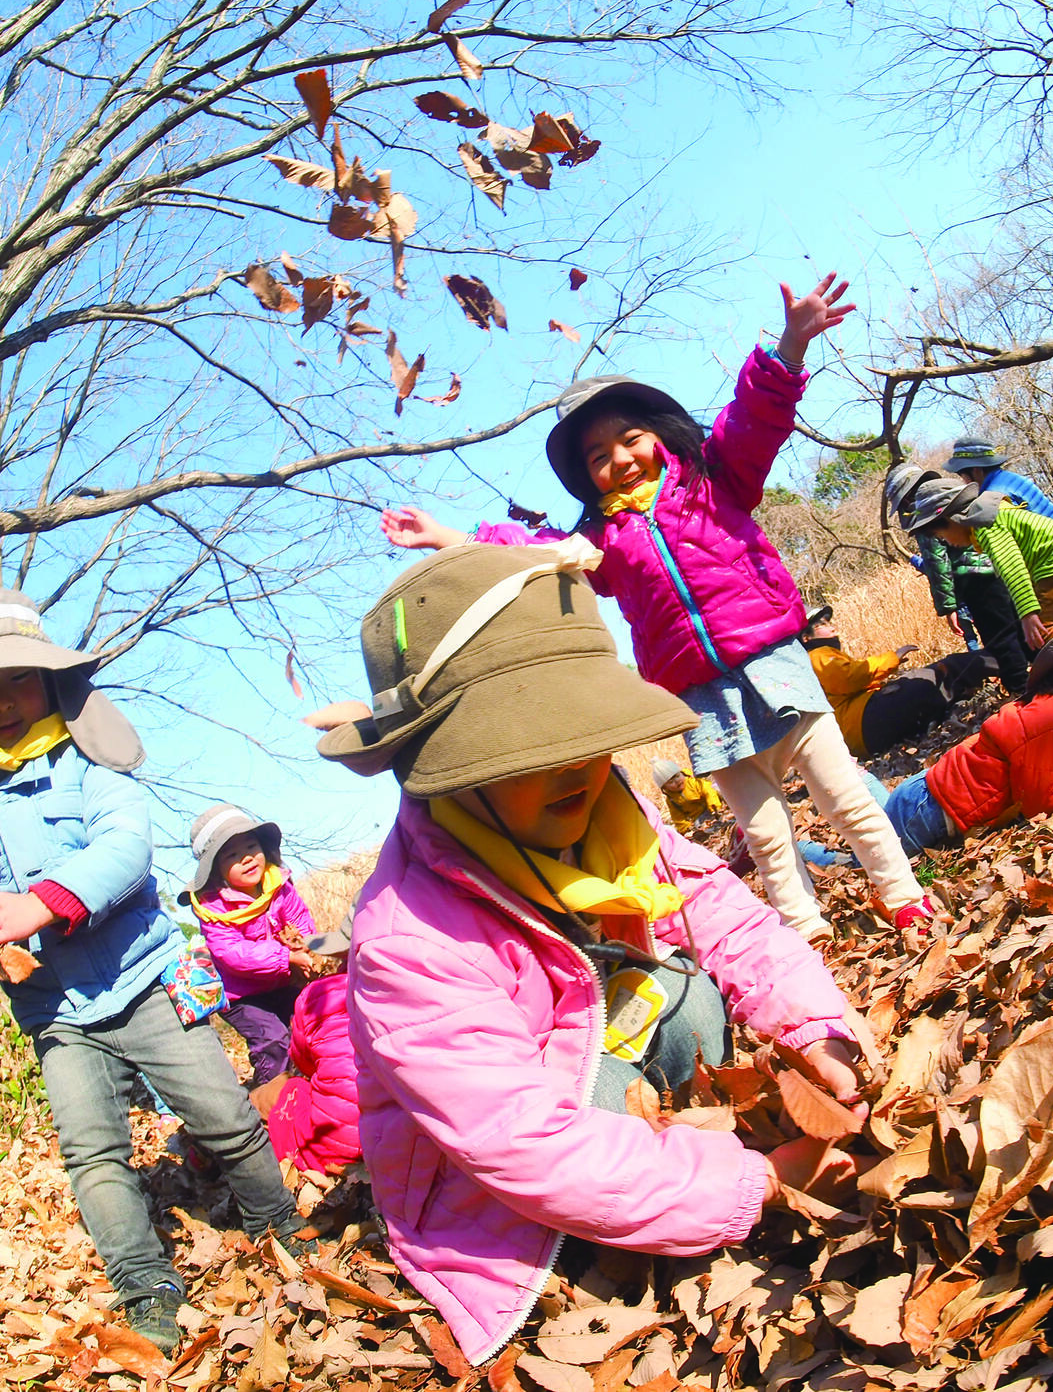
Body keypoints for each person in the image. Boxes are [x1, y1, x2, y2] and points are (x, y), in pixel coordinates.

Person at [313, 542, 870, 1366]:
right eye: (537, 747)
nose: (579, 763)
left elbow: (723, 915)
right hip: (504, 1177)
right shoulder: (407, 939)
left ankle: (674, 1153)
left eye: (588, 732)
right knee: (617, 1092)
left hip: (605, 1060)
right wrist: (761, 1183)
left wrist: (818, 1030)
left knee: (686, 993)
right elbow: (521, 1141)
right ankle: (661, 1195)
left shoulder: (613, 809)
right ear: (450, 771)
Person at [379, 274, 937, 937]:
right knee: (763, 829)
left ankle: (901, 893)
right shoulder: (601, 542)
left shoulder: (714, 478)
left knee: (842, 792)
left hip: (772, 660)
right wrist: (449, 537)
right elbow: (534, 555)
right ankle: (804, 930)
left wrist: (788, 347)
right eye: (598, 457)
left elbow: (755, 419)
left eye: (630, 439)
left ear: (660, 435)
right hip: (699, 697)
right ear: (586, 477)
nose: (620, 459)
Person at [0, 588, 302, 1352]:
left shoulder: (88, 760)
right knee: (92, 1152)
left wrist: (40, 904)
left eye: (18, 682)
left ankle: (278, 1220)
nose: (0, 704)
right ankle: (145, 1287)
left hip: (147, 982)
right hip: (55, 1013)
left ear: (51, 684)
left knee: (222, 1113)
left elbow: (126, 849)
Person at [884, 623, 1053, 857]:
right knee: (872, 865)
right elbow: (1039, 805)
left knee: (871, 841)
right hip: (927, 809)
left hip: (927, 796)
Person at [184, 804, 318, 1083]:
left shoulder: (278, 885)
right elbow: (232, 952)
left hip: (281, 982)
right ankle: (272, 1099)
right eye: (232, 855)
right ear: (216, 870)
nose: (246, 858)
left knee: (308, 1025)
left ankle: (310, 1086)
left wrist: (306, 948)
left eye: (251, 846)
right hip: (243, 996)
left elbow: (300, 920)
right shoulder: (215, 907)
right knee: (273, 1041)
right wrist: (285, 957)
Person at [904, 478, 1053, 654]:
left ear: (952, 520)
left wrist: (1028, 613)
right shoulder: (985, 514)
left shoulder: (985, 526)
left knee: (1039, 630)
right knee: (1032, 629)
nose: (948, 543)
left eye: (942, 536)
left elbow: (1011, 567)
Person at [885, 464, 1030, 693]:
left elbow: (937, 563)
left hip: (974, 580)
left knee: (999, 637)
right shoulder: (951, 495)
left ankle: (1021, 689)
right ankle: (1048, 671)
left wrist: (948, 607)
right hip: (998, 567)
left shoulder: (926, 515)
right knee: (1018, 626)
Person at [944, 439, 1053, 624]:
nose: (964, 481)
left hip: (1050, 557)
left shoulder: (993, 495)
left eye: (963, 475)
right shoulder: (1009, 478)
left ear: (977, 470)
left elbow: (1010, 546)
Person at [801, 608, 993, 758]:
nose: (833, 628)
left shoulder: (816, 658)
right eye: (822, 625)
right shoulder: (817, 656)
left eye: (829, 622)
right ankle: (1005, 660)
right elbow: (849, 678)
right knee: (940, 672)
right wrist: (892, 659)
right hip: (864, 724)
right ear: (806, 637)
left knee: (931, 682)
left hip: (862, 731)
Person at [262, 923, 361, 1176]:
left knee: (287, 1087)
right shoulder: (430, 984)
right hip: (410, 1136)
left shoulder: (316, 996)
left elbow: (304, 1062)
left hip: (338, 1145)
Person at [650, 757, 724, 834]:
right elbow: (678, 817)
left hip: (713, 805)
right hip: (700, 816)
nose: (677, 781)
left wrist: (713, 803)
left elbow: (708, 790)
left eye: (677, 776)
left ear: (682, 773)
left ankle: (728, 807)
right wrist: (686, 828)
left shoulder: (692, 782)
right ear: (665, 788)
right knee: (698, 826)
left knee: (717, 789)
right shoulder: (672, 800)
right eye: (671, 782)